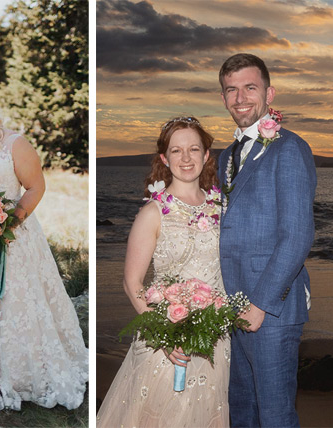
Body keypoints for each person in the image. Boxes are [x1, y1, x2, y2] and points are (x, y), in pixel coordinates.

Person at [0, 81, 87, 415]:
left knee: (16, 300)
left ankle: (24, 366)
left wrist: (8, 222)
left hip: (12, 239)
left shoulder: (13, 143)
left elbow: (36, 186)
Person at [97, 117, 229, 427]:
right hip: (166, 339)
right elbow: (132, 283)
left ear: (207, 155)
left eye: (194, 149)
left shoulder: (222, 208)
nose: (186, 158)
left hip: (215, 340)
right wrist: (165, 337)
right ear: (164, 158)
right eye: (177, 150)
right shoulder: (152, 212)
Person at [218, 53, 315, 428]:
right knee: (242, 410)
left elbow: (297, 236)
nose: (240, 98)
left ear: (269, 93)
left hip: (270, 310)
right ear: (223, 97)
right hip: (229, 307)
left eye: (250, 87)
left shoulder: (289, 148)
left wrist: (260, 305)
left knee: (274, 415)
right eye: (231, 90)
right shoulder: (227, 155)